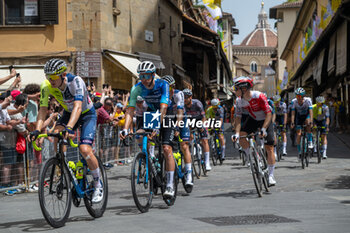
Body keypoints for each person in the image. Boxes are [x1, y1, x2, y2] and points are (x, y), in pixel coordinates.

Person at [29, 58, 103, 203]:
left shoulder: (76, 81)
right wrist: (37, 130)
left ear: (63, 75)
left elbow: (78, 107)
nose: (51, 80)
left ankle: (98, 184)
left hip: (86, 114)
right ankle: (62, 166)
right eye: (48, 77)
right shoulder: (46, 86)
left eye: (54, 77)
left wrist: (69, 127)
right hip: (69, 113)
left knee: (85, 149)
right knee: (56, 134)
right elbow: (43, 109)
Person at [120, 61, 176, 198]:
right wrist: (125, 129)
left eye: (146, 76)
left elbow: (163, 107)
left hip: (166, 113)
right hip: (150, 113)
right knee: (140, 134)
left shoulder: (163, 84)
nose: (143, 80)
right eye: (141, 76)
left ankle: (169, 184)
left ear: (152, 75)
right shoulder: (137, 88)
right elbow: (130, 110)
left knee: (166, 148)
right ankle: (149, 157)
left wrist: (157, 126)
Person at [231, 76, 277, 186]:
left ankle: (271, 176)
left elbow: (269, 114)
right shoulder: (239, 101)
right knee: (242, 136)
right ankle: (251, 156)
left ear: (244, 89)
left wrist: (264, 129)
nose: (234, 91)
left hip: (266, 119)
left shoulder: (259, 96)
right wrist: (236, 133)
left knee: (269, 148)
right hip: (253, 119)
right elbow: (238, 118)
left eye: (236, 88)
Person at [162, 75, 192, 188]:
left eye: (168, 88)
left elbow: (180, 112)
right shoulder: (160, 94)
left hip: (179, 117)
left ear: (172, 87)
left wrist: (177, 127)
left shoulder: (178, 94)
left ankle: (188, 174)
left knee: (184, 145)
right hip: (167, 118)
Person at [183, 88, 211, 171]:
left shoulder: (197, 104)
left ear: (190, 97)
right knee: (189, 137)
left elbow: (203, 117)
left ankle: (207, 162)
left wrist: (202, 125)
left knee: (205, 140)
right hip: (189, 121)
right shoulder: (182, 105)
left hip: (199, 120)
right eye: (183, 98)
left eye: (186, 97)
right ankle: (194, 147)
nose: (184, 99)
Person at [290, 87, 313, 161]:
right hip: (299, 116)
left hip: (306, 115)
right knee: (299, 134)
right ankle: (300, 152)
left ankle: (310, 141)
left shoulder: (308, 100)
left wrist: (311, 121)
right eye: (297, 96)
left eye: (300, 96)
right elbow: (293, 113)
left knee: (308, 122)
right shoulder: (294, 101)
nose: (298, 98)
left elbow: (311, 111)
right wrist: (292, 122)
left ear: (303, 96)